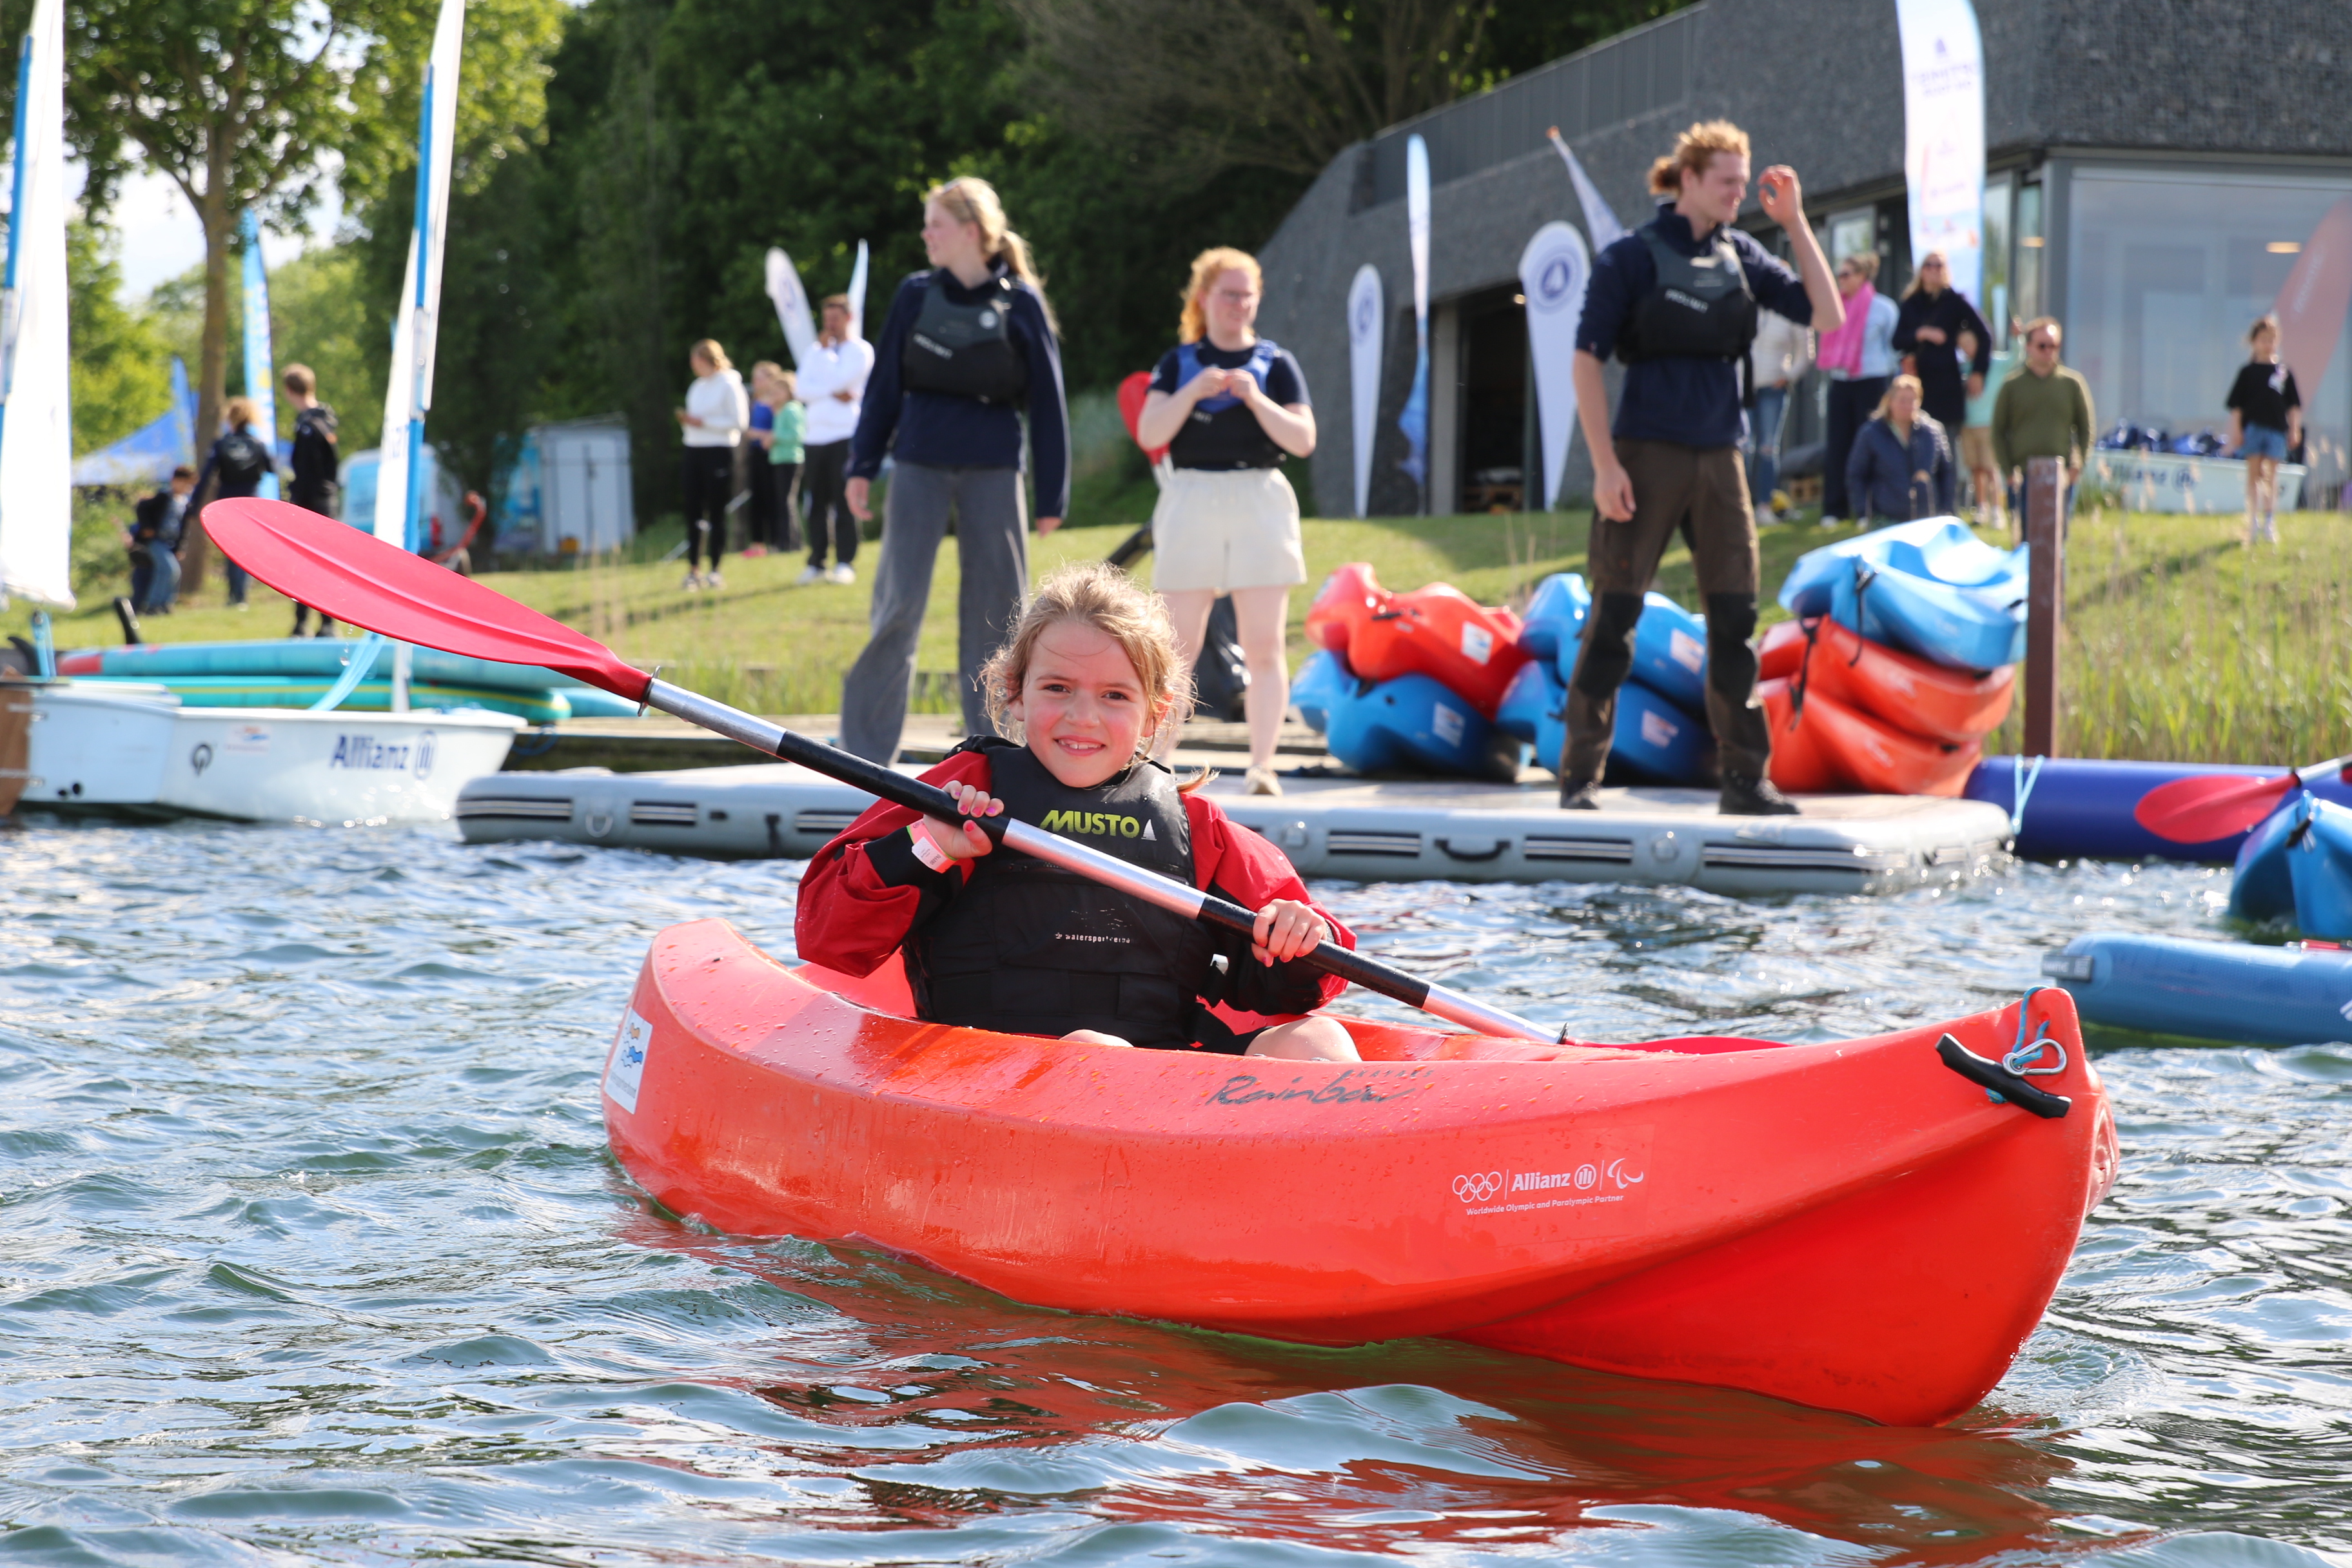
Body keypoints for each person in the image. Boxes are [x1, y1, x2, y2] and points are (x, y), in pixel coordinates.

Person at [797, 562, 1358, 1061]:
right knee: (1098, 1050)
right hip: (990, 1075)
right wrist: (928, 846)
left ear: (1154, 711)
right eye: (1058, 688)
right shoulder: (961, 795)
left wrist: (1297, 939)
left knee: (1319, 1039)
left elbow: (1297, 987)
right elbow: (826, 935)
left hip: (1162, 1085)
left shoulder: (1196, 828)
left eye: (1115, 695)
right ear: (1016, 693)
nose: (1083, 717)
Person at [1566, 119, 1841, 818]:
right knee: (1614, 616)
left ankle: (1745, 782)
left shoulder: (1742, 253)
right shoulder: (1630, 256)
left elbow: (1827, 315)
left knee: (1735, 619)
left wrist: (1795, 221)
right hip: (1644, 455)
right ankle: (1580, 779)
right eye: (1726, 182)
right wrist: (1604, 466)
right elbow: (1586, 360)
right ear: (1687, 179)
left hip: (1722, 458)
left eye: (1743, 183)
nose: (1737, 193)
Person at [840, 175, 1071, 764]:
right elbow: (884, 387)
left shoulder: (1020, 303)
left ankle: (996, 754)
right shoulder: (915, 294)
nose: (926, 236)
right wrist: (861, 464)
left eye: (935, 225)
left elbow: (1048, 402)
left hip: (994, 466)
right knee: (897, 607)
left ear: (971, 231)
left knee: (998, 614)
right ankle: (865, 755)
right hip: (919, 461)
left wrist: (1052, 495)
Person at [1134, 247, 1315, 797]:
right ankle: (1157, 766)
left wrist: (1255, 399)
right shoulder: (1178, 363)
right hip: (1192, 496)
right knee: (1176, 647)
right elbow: (1150, 432)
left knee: (1264, 645)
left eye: (1247, 295)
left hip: (1260, 497)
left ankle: (1263, 766)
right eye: (1228, 294)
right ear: (1204, 299)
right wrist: (1194, 390)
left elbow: (1303, 440)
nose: (1238, 304)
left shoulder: (1276, 364)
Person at [1816, 251, 1899, 527]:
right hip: (1841, 381)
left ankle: (1870, 507)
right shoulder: (1835, 305)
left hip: (1872, 381)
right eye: (1839, 274)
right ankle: (1834, 509)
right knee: (1838, 444)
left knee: (1872, 442)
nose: (1841, 280)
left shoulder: (1883, 308)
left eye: (1846, 274)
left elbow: (1893, 349)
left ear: (1862, 276)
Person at [1990, 317, 2095, 531]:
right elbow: (1998, 432)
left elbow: (2086, 429)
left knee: (2057, 539)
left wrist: (2077, 467)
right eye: (2042, 346)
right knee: (2025, 540)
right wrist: (2008, 473)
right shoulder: (2012, 385)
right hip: (2023, 476)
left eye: (2054, 346)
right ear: (2028, 347)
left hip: (2061, 476)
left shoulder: (2072, 384)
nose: (2048, 351)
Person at [798, 295, 873, 585]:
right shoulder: (814, 352)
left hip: (845, 434)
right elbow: (801, 390)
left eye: (835, 318)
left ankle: (845, 562)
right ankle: (816, 561)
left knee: (844, 500)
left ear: (849, 318)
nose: (830, 324)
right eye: (827, 318)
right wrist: (831, 389)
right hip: (814, 436)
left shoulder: (860, 350)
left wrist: (826, 366)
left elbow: (843, 381)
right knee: (816, 502)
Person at [1892, 251, 1992, 438]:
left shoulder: (1954, 301)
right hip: (1916, 382)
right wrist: (1922, 333)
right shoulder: (1911, 303)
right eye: (1929, 265)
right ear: (1921, 271)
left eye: (1939, 266)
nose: (1934, 270)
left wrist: (1978, 372)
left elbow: (1985, 335)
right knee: (1914, 442)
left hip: (1946, 386)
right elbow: (1897, 341)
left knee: (1946, 444)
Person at [675, 338, 747, 591]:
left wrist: (704, 423)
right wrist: (690, 424)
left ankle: (715, 569)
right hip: (693, 449)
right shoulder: (696, 386)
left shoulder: (729, 384)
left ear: (707, 360)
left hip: (719, 450)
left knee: (717, 512)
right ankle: (693, 569)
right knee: (693, 511)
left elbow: (739, 422)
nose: (693, 365)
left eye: (696, 360)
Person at [2225, 314, 2301, 546]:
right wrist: (2237, 431)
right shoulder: (2247, 372)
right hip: (2253, 430)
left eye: (2272, 339)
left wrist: (2294, 430)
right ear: (2254, 342)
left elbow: (2293, 406)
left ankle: (2270, 522)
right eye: (2263, 339)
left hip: (2277, 431)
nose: (2268, 344)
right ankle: (2253, 522)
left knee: (2271, 476)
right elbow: (2236, 407)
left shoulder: (2283, 372)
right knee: (2254, 475)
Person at [193, 397, 274, 610]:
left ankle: (234, 595)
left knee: (231, 549)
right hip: (251, 503)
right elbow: (272, 468)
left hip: (227, 503)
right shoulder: (258, 443)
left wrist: (194, 505)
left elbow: (206, 476)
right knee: (247, 548)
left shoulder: (222, 444)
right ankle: (242, 595)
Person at [1845, 374, 1954, 522]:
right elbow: (1856, 474)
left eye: (1913, 400)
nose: (1908, 406)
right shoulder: (1871, 433)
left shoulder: (1932, 432)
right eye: (1902, 400)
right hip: (1885, 518)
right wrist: (1863, 513)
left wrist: (1947, 509)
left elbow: (1947, 472)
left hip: (1927, 518)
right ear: (1890, 401)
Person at [284, 363, 341, 635]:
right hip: (324, 500)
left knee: (309, 564)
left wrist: (297, 499)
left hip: (312, 502)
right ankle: (314, 622)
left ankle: (314, 623)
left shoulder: (310, 425)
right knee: (316, 563)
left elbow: (312, 471)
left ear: (289, 390)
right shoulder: (323, 419)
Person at [1746, 307, 1811, 522]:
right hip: (1745, 388)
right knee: (1744, 447)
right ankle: (1742, 505)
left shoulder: (1791, 309)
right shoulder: (1749, 304)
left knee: (1767, 448)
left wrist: (1788, 376)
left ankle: (1764, 506)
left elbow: (1805, 353)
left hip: (1773, 389)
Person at [1958, 324, 2015, 534]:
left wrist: (2015, 338)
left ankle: (1997, 510)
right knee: (1976, 469)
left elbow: (2015, 359)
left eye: (1969, 343)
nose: (1966, 348)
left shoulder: (1995, 363)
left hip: (1989, 425)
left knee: (1992, 469)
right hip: (1968, 425)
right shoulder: (1964, 367)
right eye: (1962, 345)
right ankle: (1981, 507)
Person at [746, 362, 806, 556]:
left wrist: (772, 437)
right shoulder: (780, 409)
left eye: (779, 391)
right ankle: (787, 542)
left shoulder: (791, 409)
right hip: (779, 459)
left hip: (789, 459)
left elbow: (797, 435)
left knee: (786, 502)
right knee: (783, 502)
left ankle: (789, 543)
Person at [129, 465, 194, 614]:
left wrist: (180, 548)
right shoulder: (164, 497)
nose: (187, 487)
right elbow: (142, 507)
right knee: (169, 569)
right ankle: (152, 605)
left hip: (171, 543)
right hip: (157, 541)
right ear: (176, 481)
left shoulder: (184, 502)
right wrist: (147, 527)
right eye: (184, 483)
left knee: (170, 572)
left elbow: (183, 528)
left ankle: (165, 604)